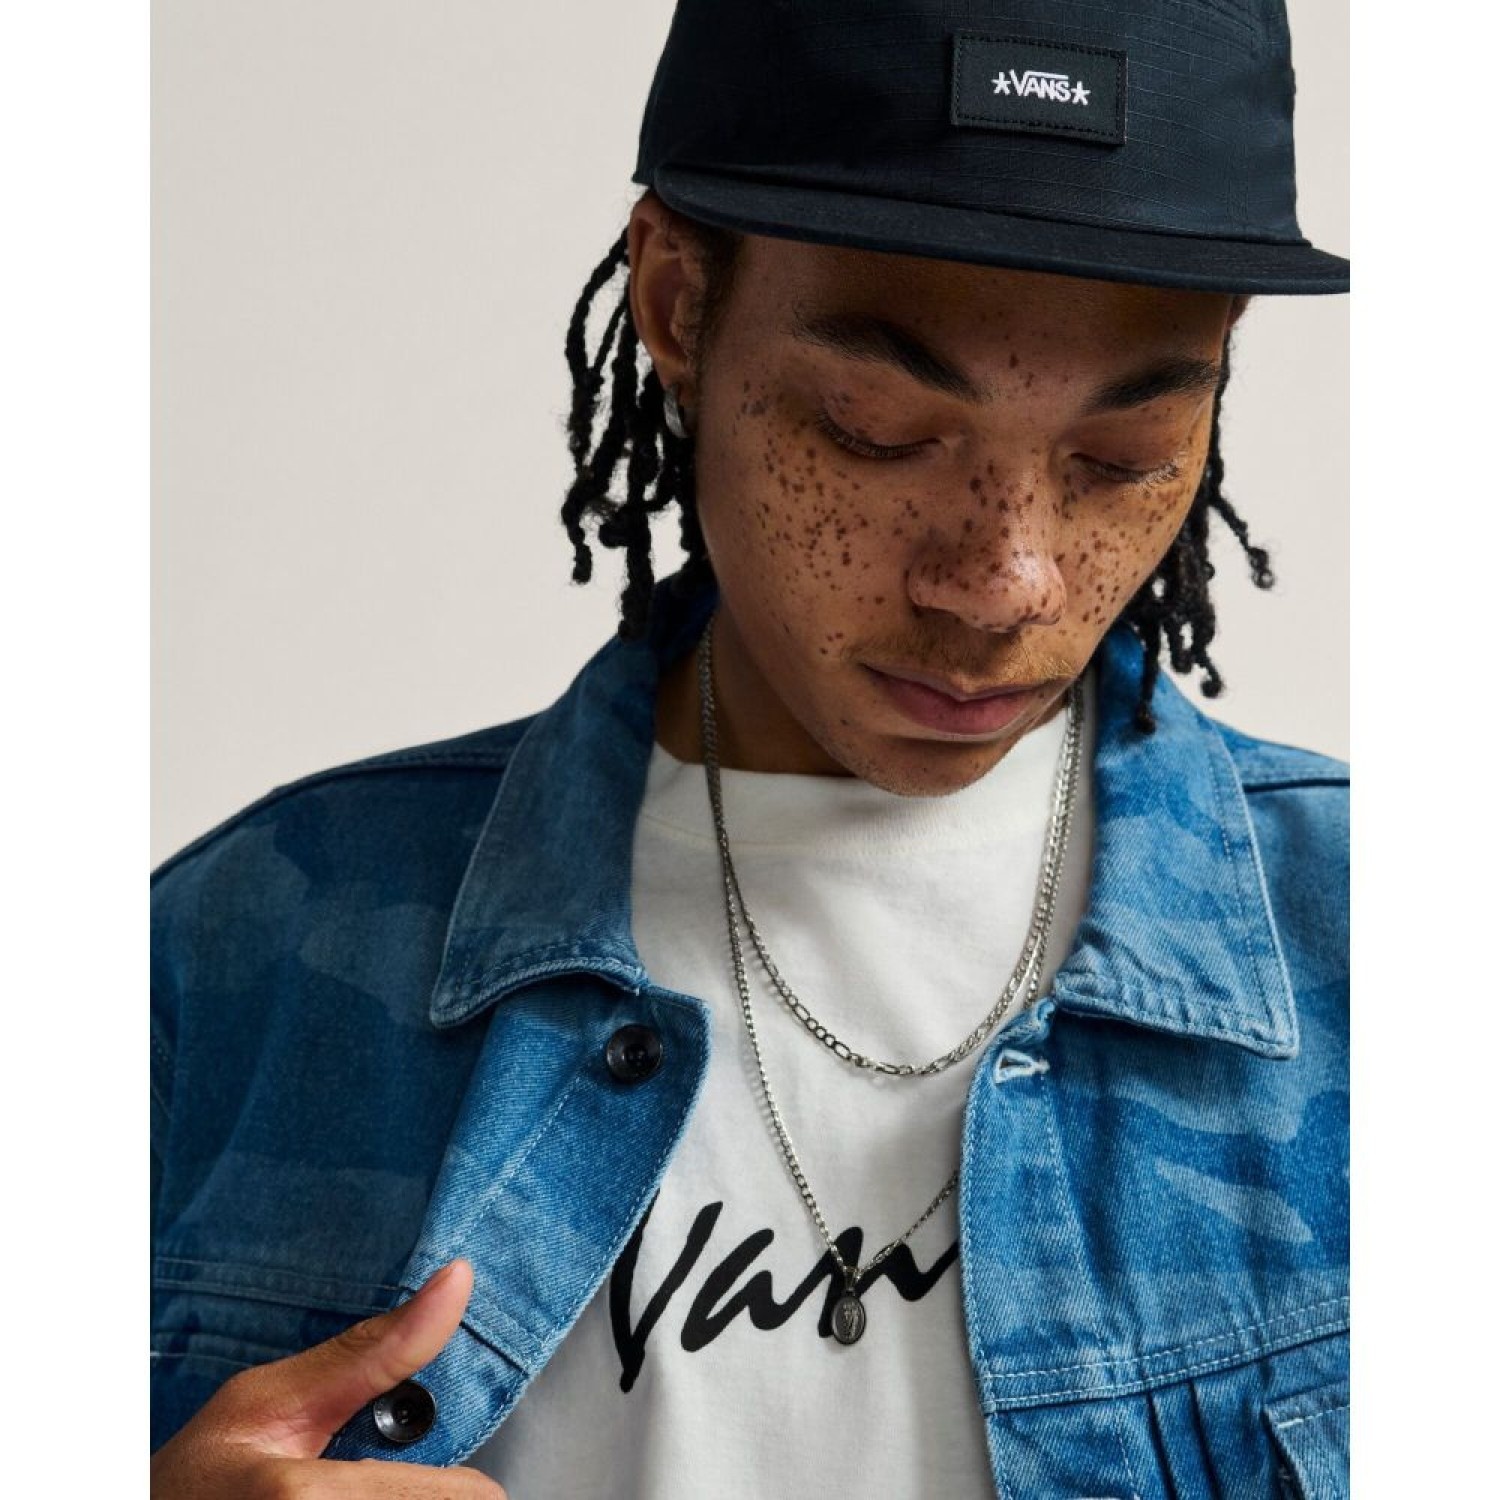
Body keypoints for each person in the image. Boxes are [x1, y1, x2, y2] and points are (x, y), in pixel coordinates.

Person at [150, 1, 1350, 1496]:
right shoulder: (230, 964)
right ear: (677, 306)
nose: (1005, 582)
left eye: (1123, 460)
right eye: (876, 429)